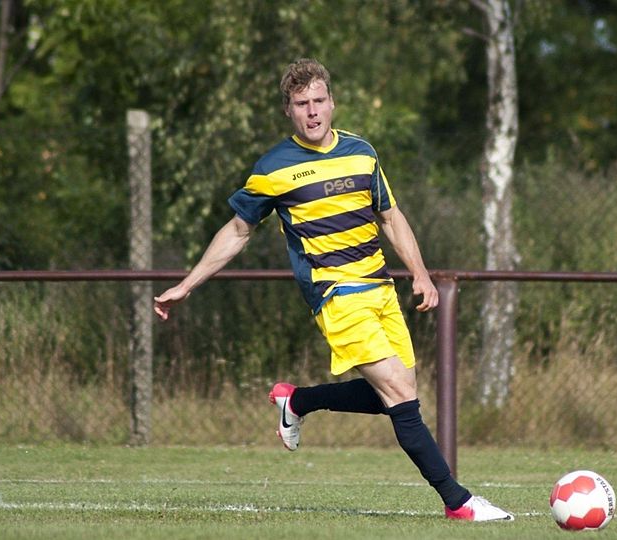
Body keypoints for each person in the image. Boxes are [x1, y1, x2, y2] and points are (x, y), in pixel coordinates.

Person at [153, 58, 513, 522]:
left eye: (319, 101)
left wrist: (420, 273)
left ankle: (296, 400)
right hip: (335, 292)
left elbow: (390, 216)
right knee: (401, 397)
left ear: (333, 102)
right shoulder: (273, 168)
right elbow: (238, 232)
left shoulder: (363, 153)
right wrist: (186, 285)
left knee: (398, 394)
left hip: (379, 287)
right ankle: (459, 502)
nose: (313, 111)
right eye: (302, 104)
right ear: (289, 111)